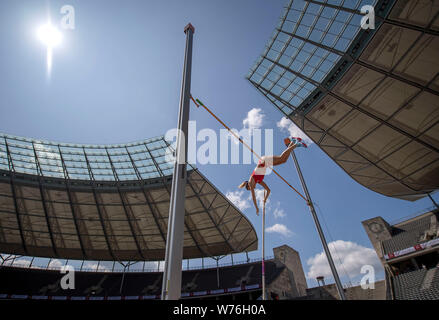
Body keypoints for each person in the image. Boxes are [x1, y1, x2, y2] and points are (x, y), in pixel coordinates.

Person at [238, 137, 307, 215]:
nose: (252, 189)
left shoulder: (251, 181)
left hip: (263, 161)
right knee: (283, 160)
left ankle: (296, 144)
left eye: (250, 189)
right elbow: (268, 190)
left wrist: (257, 208)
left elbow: (253, 198)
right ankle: (293, 142)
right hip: (266, 163)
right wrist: (265, 199)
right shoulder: (259, 181)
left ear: (248, 186)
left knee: (281, 157)